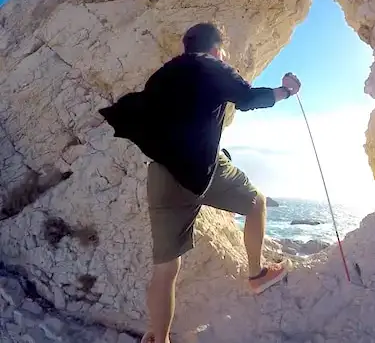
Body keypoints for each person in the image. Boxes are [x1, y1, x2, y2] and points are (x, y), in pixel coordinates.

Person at [98, 22, 301, 343]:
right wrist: (287, 90)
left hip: (163, 173)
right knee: (257, 202)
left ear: (186, 46)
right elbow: (248, 99)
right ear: (217, 48)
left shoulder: (164, 75)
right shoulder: (213, 67)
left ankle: (158, 337)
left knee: (165, 269)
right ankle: (257, 275)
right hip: (201, 171)